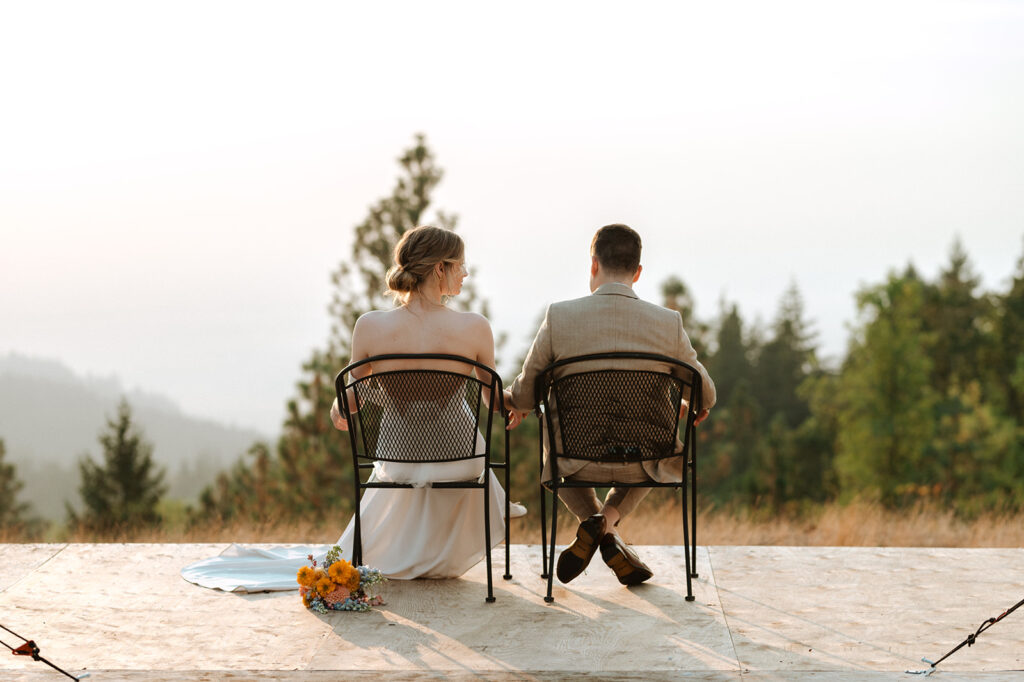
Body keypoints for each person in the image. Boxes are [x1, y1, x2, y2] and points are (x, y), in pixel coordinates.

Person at [181, 226, 522, 592]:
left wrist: (336, 408)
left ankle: (406, 553)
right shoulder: (474, 327)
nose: (465, 273)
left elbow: (351, 399)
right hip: (460, 458)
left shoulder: (371, 326)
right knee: (479, 464)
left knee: (399, 469)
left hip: (397, 457)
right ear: (440, 269)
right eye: (460, 265)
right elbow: (492, 400)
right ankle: (432, 556)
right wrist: (518, 403)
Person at [503, 223, 716, 587]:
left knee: (552, 431)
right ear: (637, 272)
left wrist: (511, 402)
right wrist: (685, 401)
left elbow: (526, 396)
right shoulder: (668, 323)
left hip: (573, 462)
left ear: (593, 264)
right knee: (663, 443)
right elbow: (704, 394)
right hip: (644, 461)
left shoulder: (559, 317)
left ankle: (597, 524)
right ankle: (608, 525)